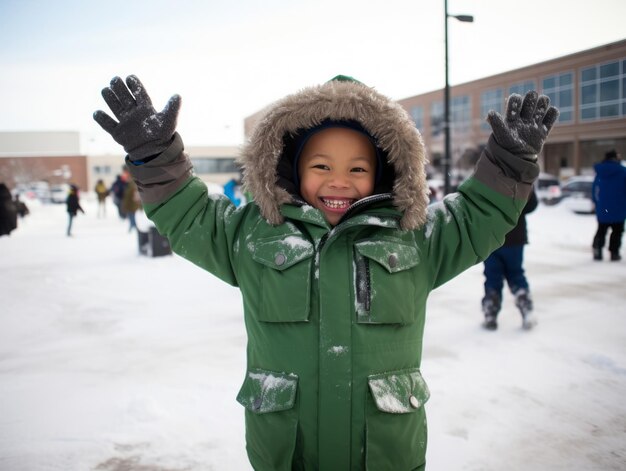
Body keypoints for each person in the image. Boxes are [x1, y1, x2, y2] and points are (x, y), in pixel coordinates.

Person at [94, 74, 558, 470]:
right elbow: (189, 213)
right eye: (321, 166)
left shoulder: (416, 237)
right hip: (288, 450)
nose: (339, 181)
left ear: (384, 174)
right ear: (291, 169)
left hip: (384, 453)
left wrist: (509, 164)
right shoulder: (253, 234)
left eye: (357, 168)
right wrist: (155, 155)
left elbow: (477, 213)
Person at [481, 187, 538, 330]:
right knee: (516, 274)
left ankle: (491, 311)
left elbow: (478, 205)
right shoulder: (522, 177)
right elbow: (531, 205)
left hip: (492, 237)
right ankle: (525, 305)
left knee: (493, 276)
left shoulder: (487, 173)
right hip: (515, 237)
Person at [592, 149, 626, 261]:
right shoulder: (623, 172)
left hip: (603, 208)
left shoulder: (600, 172)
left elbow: (595, 190)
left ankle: (597, 250)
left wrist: (598, 204)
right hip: (620, 208)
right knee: (617, 232)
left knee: (601, 230)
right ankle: (614, 253)